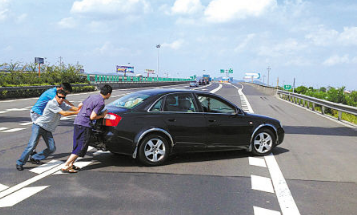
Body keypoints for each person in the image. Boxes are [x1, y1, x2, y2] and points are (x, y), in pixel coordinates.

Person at [16, 90, 80, 171]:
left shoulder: (62, 103)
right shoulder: (52, 103)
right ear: (56, 96)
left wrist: (81, 110)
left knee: (52, 148)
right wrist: (77, 112)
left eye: (63, 98)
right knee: (31, 145)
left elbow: (71, 108)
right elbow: (64, 113)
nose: (61, 99)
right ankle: (20, 163)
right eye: (59, 97)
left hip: (47, 129)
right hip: (39, 126)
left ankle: (34, 157)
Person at [61, 84, 112, 173]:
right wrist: (102, 115)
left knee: (76, 144)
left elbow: (80, 105)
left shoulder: (92, 96)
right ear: (108, 94)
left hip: (77, 121)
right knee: (81, 146)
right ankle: (66, 165)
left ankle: (70, 165)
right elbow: (92, 116)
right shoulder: (101, 102)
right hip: (85, 124)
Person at [29, 83, 74, 158]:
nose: (65, 95)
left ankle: (32, 151)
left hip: (41, 113)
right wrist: (78, 109)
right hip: (37, 113)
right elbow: (66, 103)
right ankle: (31, 151)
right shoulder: (53, 94)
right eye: (66, 93)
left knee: (39, 133)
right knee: (38, 133)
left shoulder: (54, 91)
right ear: (62, 89)